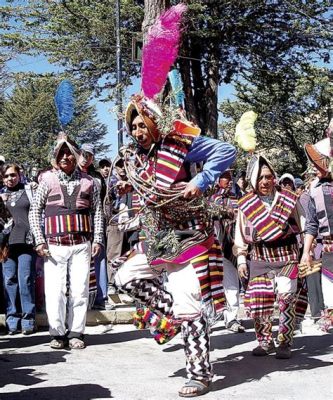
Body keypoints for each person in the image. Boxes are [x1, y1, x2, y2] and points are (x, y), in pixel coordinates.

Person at [113, 95, 236, 397]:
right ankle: (173, 314)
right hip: (158, 238)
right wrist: (129, 187)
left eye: (143, 124)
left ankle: (199, 374)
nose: (137, 131)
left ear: (156, 123)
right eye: (133, 126)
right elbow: (149, 186)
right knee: (124, 278)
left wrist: (203, 180)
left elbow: (226, 151)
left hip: (188, 236)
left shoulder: (179, 144)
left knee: (188, 303)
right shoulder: (135, 157)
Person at [29, 134, 103, 349]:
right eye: (61, 153)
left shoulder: (90, 182)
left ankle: (77, 333)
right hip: (54, 246)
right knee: (54, 291)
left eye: (68, 153)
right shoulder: (46, 180)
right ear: (55, 156)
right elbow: (35, 210)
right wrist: (40, 241)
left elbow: (97, 212)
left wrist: (97, 238)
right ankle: (57, 333)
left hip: (81, 245)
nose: (65, 157)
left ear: (76, 155)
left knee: (80, 290)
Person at [234, 155, 304, 359]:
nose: (265, 182)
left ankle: (285, 342)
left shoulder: (288, 199)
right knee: (259, 299)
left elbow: (303, 223)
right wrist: (240, 259)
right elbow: (240, 234)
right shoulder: (246, 204)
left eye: (268, 177)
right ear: (253, 181)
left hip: (287, 254)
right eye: (260, 178)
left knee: (286, 297)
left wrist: (306, 250)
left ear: (274, 177)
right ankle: (265, 342)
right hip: (260, 256)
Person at [301, 138, 333, 332]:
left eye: (318, 161)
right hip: (328, 246)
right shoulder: (314, 189)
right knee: (329, 291)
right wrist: (306, 252)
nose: (316, 166)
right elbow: (312, 224)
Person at [0, 163, 36, 335]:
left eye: (13, 175)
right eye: (6, 176)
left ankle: (28, 319)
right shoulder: (1, 195)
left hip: (26, 242)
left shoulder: (29, 190)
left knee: (26, 280)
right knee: (9, 281)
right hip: (6, 245)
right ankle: (12, 319)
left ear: (19, 175)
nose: (10, 179)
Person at [210, 170, 244, 333]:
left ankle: (232, 318)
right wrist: (227, 212)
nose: (229, 181)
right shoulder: (210, 197)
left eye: (231, 178)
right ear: (217, 179)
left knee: (231, 283)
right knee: (208, 284)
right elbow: (211, 212)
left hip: (230, 246)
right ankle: (207, 317)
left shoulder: (236, 197)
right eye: (225, 177)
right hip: (212, 246)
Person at [78, 144, 108, 309]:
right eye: (83, 154)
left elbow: (103, 199)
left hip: (96, 221)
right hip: (77, 221)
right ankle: (81, 299)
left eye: (89, 155)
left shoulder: (97, 177)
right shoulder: (71, 172)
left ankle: (101, 298)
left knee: (99, 258)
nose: (86, 158)